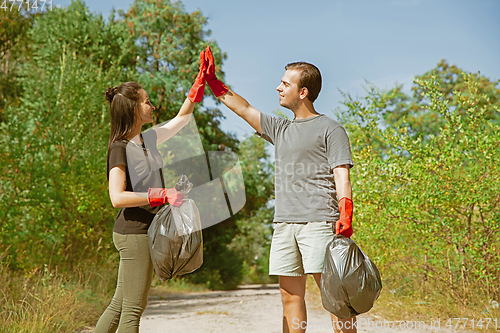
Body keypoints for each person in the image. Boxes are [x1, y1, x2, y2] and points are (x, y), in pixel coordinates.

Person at [204, 46, 356, 333]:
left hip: (319, 223)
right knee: (289, 297)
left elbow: (341, 174)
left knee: (336, 297)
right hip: (284, 224)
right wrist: (214, 82)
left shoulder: (330, 129)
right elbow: (244, 108)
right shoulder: (280, 129)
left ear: (303, 92)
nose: (278, 87)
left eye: (285, 84)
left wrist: (345, 213)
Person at [94, 50, 207, 333]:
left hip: (143, 230)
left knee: (120, 306)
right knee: (132, 311)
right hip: (132, 233)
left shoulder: (147, 139)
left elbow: (181, 120)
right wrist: (161, 194)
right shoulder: (120, 147)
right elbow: (116, 197)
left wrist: (198, 85)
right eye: (146, 102)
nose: (152, 106)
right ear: (133, 108)